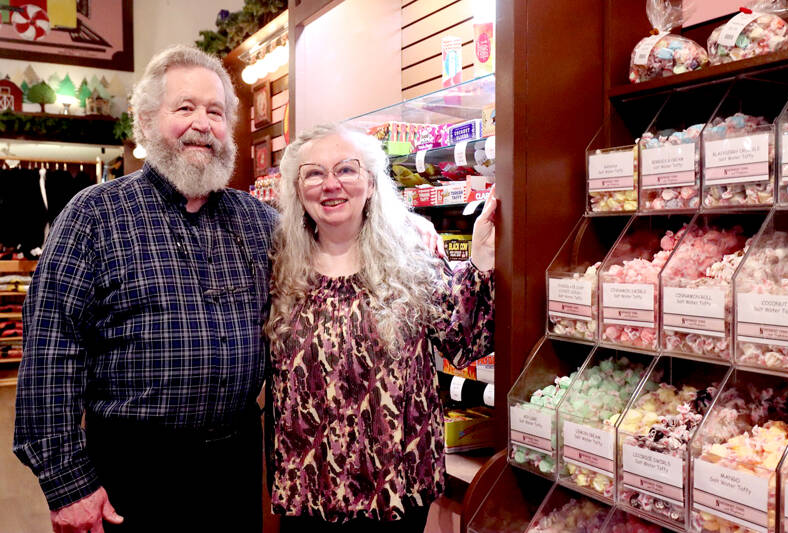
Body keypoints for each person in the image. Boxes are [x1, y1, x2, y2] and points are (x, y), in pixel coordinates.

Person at [13, 45, 276, 533]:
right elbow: (51, 349)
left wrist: (402, 230)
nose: (203, 123)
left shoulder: (260, 222)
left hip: (235, 466)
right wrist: (67, 484)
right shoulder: (93, 215)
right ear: (148, 120)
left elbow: (331, 265)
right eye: (185, 108)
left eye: (215, 111)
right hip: (130, 474)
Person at [264, 123, 496, 532]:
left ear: (371, 183)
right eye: (314, 173)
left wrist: (480, 259)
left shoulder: (414, 260)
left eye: (347, 170)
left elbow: (463, 342)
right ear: (298, 190)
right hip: (308, 484)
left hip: (396, 485)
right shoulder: (276, 266)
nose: (330, 184)